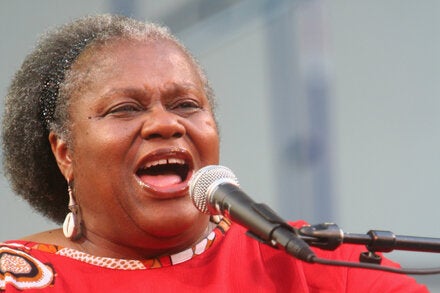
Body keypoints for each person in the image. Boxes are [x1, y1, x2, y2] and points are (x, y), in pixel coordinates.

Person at [0, 14, 428, 292]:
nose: (166, 124)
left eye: (186, 104)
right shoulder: (17, 278)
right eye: (125, 108)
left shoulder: (314, 261)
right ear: (65, 153)